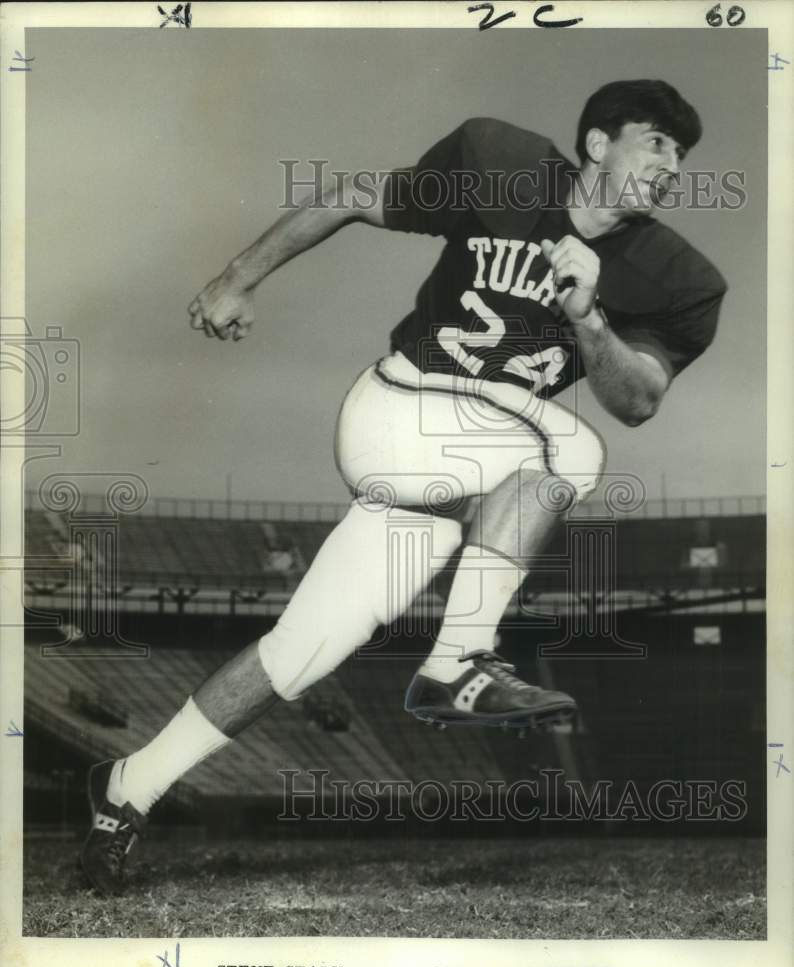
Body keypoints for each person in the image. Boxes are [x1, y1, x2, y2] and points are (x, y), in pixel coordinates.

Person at [81, 80, 726, 893]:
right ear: (598, 144)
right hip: (397, 408)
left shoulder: (676, 276)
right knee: (567, 445)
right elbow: (354, 195)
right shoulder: (504, 167)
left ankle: (124, 787)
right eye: (655, 141)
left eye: (680, 153)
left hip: (452, 477)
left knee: (298, 654)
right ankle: (460, 659)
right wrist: (236, 277)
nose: (670, 165)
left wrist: (589, 318)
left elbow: (638, 401)